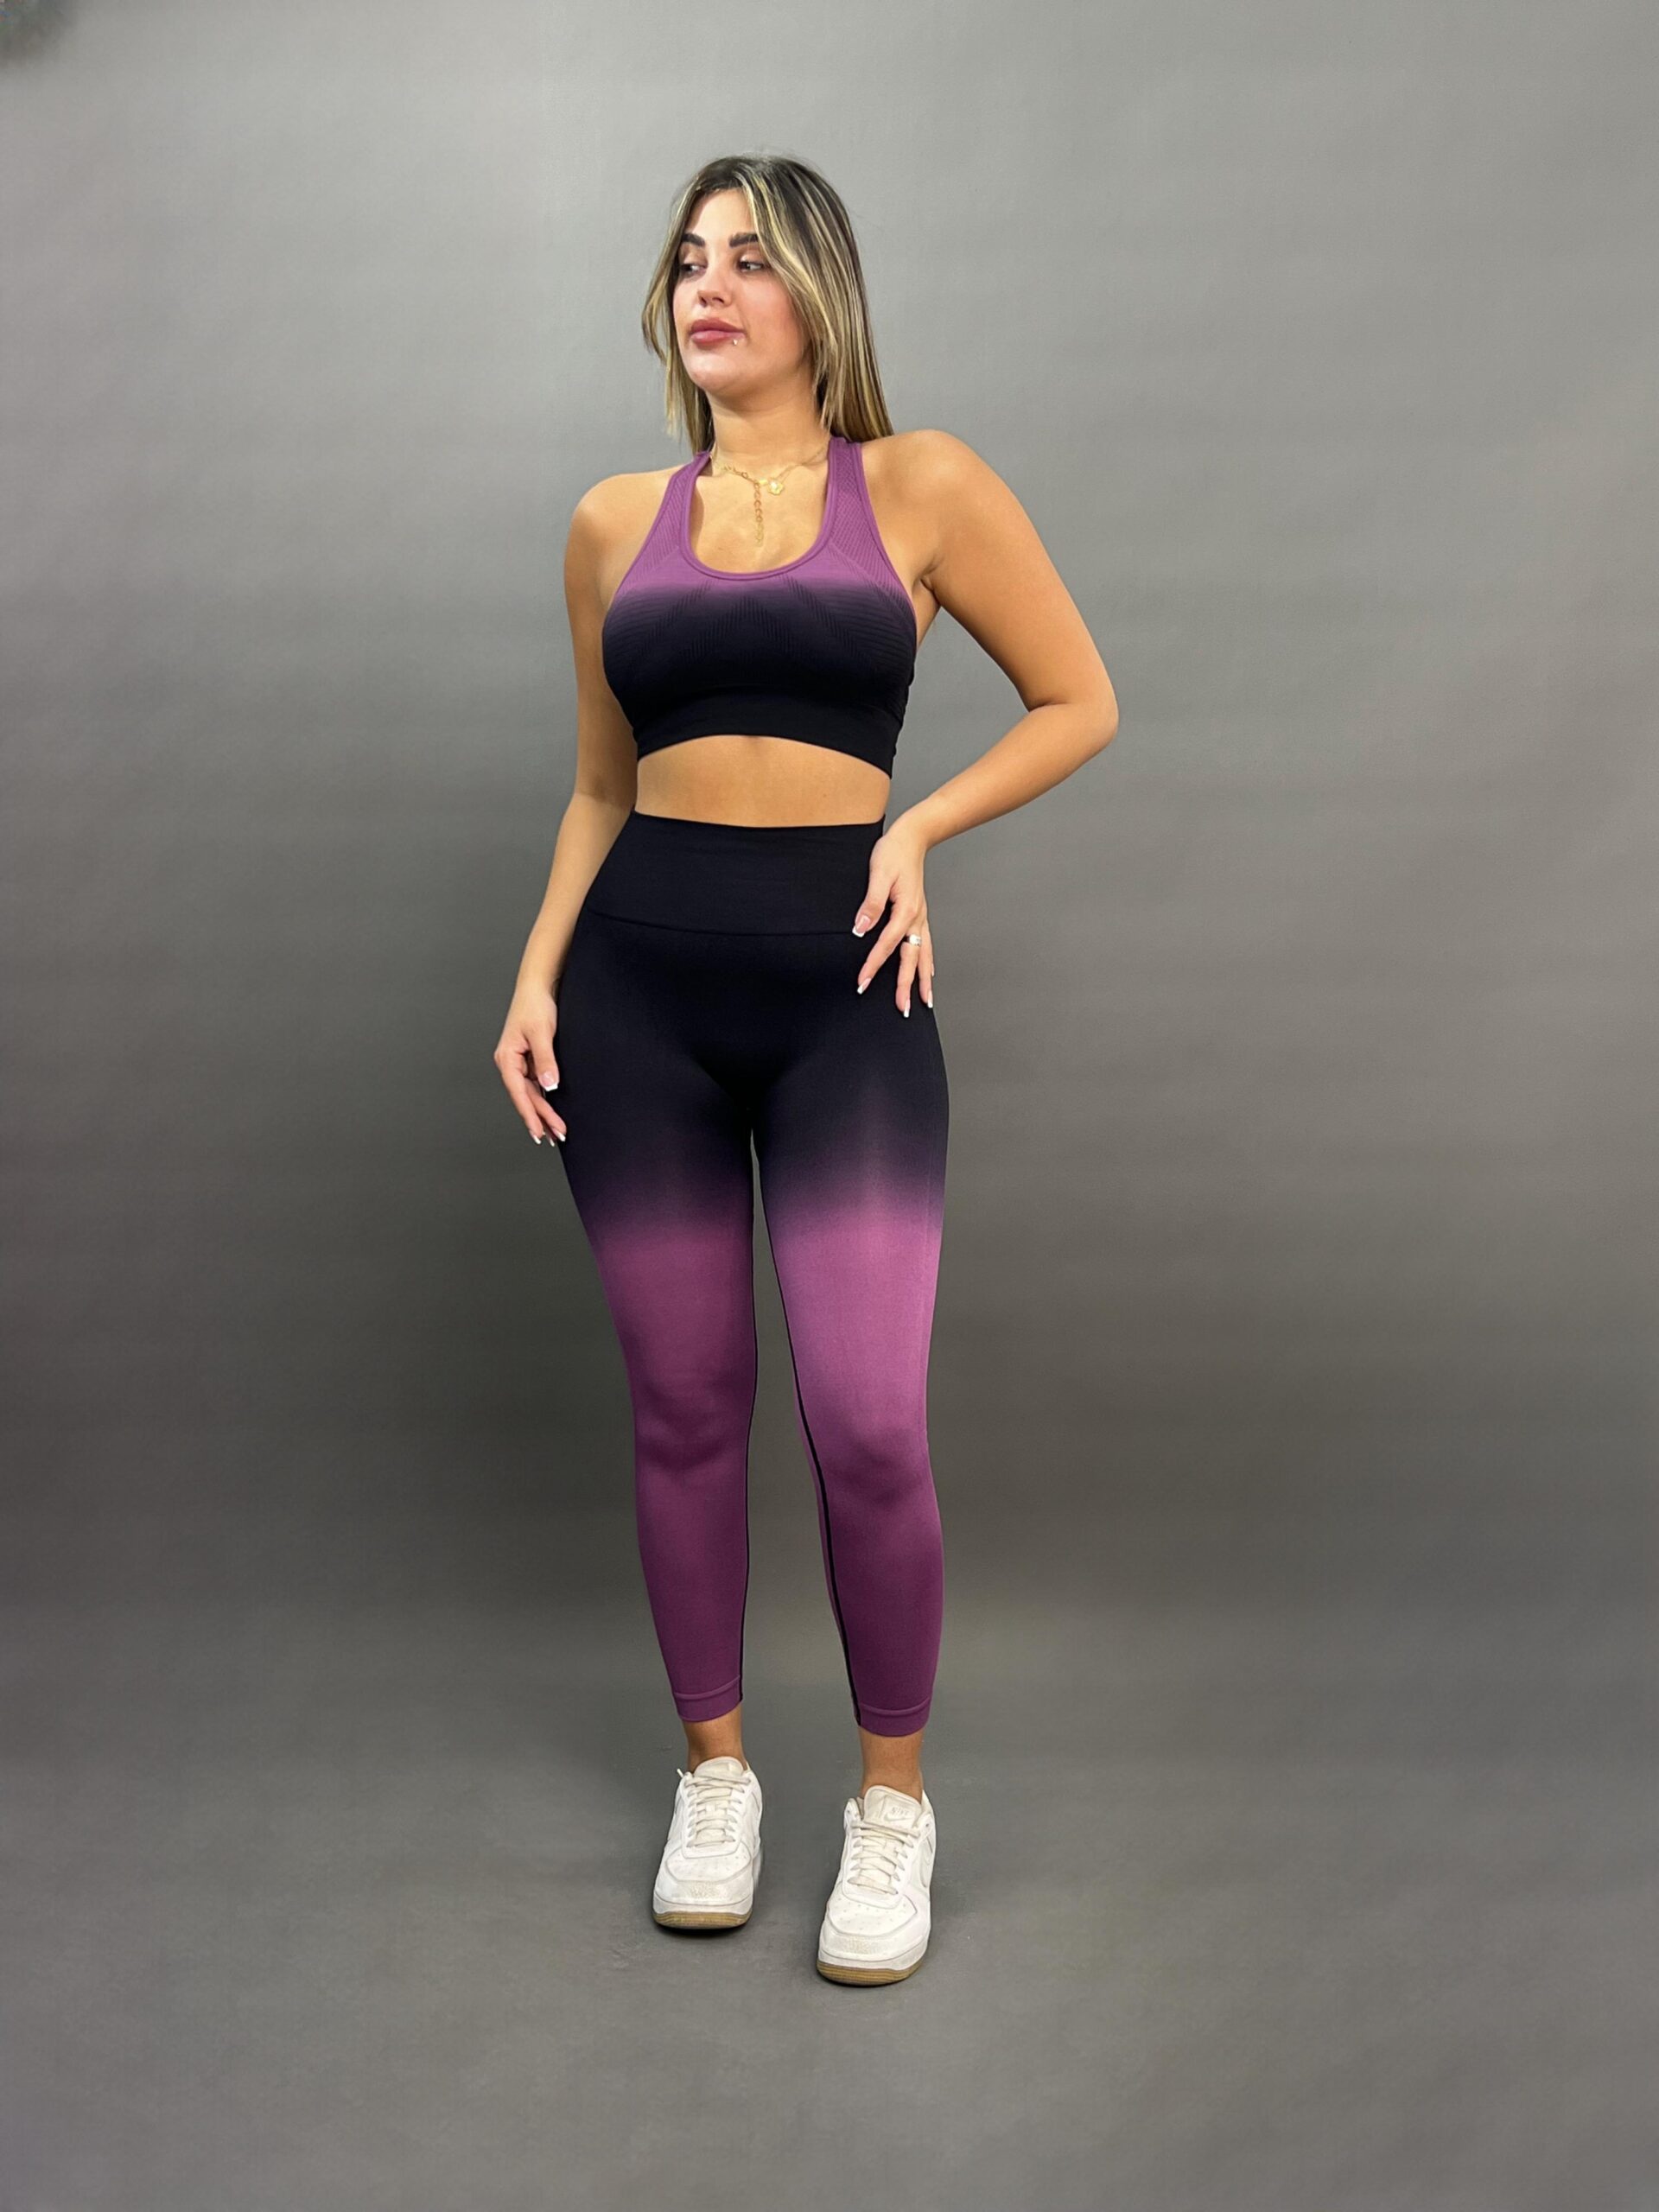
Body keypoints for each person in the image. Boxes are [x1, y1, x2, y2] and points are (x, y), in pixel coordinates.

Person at [495, 154, 1118, 1985]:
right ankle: (718, 1779)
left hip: (850, 995)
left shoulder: (920, 484)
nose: (710, 285)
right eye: (689, 258)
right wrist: (532, 976)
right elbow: (600, 784)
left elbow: (1081, 698)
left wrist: (917, 828)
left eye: (750, 258)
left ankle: (892, 1808)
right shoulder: (615, 520)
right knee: (685, 1408)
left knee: (869, 1423)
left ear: (820, 295)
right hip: (635, 1004)